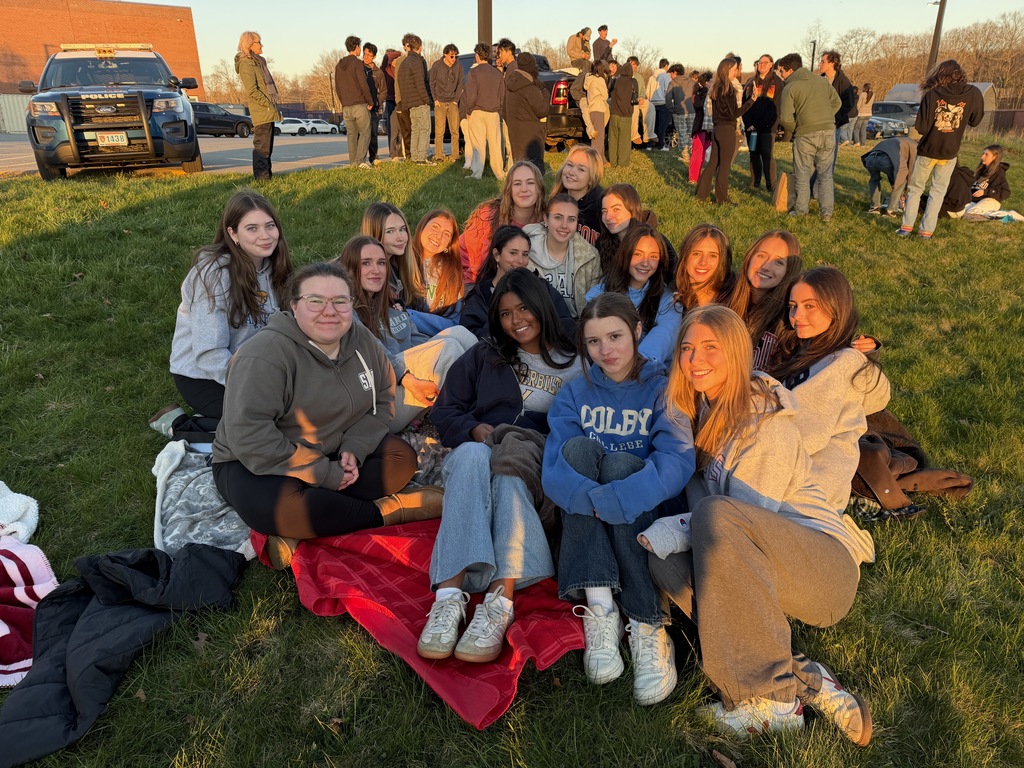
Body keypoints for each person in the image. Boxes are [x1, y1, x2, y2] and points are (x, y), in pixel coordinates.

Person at [640, 304, 875, 744]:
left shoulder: (764, 421)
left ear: (736, 352)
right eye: (687, 348)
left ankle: (775, 705)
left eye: (711, 348)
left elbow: (740, 528)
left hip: (824, 566)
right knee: (667, 568)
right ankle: (808, 680)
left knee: (713, 518)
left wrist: (670, 530)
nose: (696, 359)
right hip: (759, 559)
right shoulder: (698, 414)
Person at [212, 262, 440, 571]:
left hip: (335, 446)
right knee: (282, 508)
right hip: (260, 462)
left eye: (340, 301)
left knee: (401, 460)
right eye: (315, 301)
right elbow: (249, 438)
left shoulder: (360, 340)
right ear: (294, 306)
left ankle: (306, 528)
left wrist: (355, 448)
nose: (329, 311)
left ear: (351, 304)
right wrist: (324, 473)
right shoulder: (263, 355)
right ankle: (388, 512)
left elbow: (383, 400)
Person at [416, 268, 582, 663]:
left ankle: (498, 602)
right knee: (474, 455)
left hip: (535, 460)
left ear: (542, 305)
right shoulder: (485, 354)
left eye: (524, 308)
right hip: (482, 450)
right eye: (506, 313)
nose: (516, 320)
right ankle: (449, 597)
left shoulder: (575, 359)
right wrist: (473, 429)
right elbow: (445, 411)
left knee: (508, 473)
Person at [543, 293, 694, 705]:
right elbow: (555, 464)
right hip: (590, 508)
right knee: (576, 454)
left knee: (620, 464)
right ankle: (602, 609)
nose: (605, 350)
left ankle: (648, 624)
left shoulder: (663, 389)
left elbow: (677, 460)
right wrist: (590, 497)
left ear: (637, 332)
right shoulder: (575, 392)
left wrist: (619, 496)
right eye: (593, 342)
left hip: (643, 511)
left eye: (615, 337)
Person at [153, 190, 293, 441]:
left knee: (301, 412)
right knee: (268, 427)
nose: (265, 236)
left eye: (270, 226)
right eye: (252, 228)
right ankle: (180, 425)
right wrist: (254, 388)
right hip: (204, 375)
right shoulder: (211, 275)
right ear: (233, 234)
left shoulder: (276, 267)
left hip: (257, 368)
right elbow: (209, 353)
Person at [769, 266, 892, 518]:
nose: (797, 315)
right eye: (793, 306)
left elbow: (806, 432)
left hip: (810, 487)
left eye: (809, 306)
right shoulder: (804, 350)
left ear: (836, 308)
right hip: (794, 469)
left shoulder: (844, 361)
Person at [337, 235, 476, 432]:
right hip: (379, 404)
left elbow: (421, 345)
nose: (376, 270)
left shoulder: (390, 307)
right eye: (366, 263)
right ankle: (472, 412)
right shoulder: (344, 309)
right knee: (449, 348)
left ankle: (493, 389)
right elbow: (370, 349)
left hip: (408, 385)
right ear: (350, 268)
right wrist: (409, 378)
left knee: (459, 333)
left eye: (381, 263)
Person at [897, 59, 984, 239]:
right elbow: (975, 120)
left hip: (928, 150)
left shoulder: (933, 94)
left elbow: (921, 127)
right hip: (950, 152)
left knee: (915, 189)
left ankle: (906, 228)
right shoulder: (973, 93)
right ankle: (926, 231)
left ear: (940, 74)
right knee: (938, 191)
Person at [585, 224, 681, 365]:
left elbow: (663, 337)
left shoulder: (668, 301)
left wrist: (631, 369)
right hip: (606, 372)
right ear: (625, 254)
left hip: (649, 376)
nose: (645, 263)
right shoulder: (599, 295)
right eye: (638, 254)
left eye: (653, 256)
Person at [460, 225, 575, 339]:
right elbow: (468, 338)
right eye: (513, 253)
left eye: (525, 254)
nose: (520, 261)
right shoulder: (479, 298)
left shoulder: (542, 287)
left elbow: (566, 323)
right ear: (497, 255)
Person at [776, 53, 841, 222]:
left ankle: (801, 211)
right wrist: (825, 119)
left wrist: (797, 129)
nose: (781, 75)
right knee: (825, 174)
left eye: (781, 71)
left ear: (790, 70)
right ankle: (826, 213)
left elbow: (785, 118)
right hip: (828, 131)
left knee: (803, 173)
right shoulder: (821, 81)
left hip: (805, 134)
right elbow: (837, 103)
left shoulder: (789, 88)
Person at [725, 230, 802, 371]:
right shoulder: (725, 295)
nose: (766, 266)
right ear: (750, 257)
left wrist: (854, 347)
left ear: (789, 270)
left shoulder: (791, 315)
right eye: (761, 256)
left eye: (778, 262)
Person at [459, 160, 546, 283]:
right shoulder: (488, 215)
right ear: (509, 189)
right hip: (479, 284)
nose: (524, 189)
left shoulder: (548, 222)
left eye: (530, 183)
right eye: (517, 184)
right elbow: (467, 259)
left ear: (539, 188)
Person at [524, 194, 602, 319]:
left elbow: (594, 304)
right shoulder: (526, 252)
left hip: (575, 327)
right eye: (558, 218)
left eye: (571, 219)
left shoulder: (589, 257)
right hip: (537, 323)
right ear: (546, 218)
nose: (564, 225)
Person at [696, 57, 757, 205]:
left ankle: (701, 195)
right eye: (735, 68)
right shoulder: (729, 89)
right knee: (724, 165)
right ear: (728, 70)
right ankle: (722, 198)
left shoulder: (716, 87)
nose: (737, 71)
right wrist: (752, 100)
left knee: (713, 163)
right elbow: (734, 113)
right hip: (727, 130)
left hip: (717, 129)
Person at [596, 184, 677, 275]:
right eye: (604, 211)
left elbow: (673, 277)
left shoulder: (656, 242)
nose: (608, 216)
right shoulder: (602, 243)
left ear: (632, 209)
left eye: (616, 209)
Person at [234, 31, 281, 181]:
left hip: (268, 110)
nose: (262, 45)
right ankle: (262, 179)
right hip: (262, 111)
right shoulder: (246, 63)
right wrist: (267, 105)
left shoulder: (259, 61)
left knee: (267, 148)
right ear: (249, 45)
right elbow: (252, 90)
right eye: (258, 42)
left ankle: (267, 177)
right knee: (262, 147)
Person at [408, 210, 464, 332]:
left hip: (436, 339)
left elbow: (454, 323)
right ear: (423, 226)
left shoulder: (450, 273)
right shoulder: (400, 260)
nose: (438, 236)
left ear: (449, 244)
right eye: (435, 227)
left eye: (446, 234)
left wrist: (408, 316)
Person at [462, 42, 505, 180]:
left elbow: (471, 94)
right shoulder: (497, 73)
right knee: (495, 145)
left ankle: (477, 173)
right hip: (493, 113)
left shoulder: (473, 72)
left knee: (478, 146)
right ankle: (499, 173)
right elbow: (502, 94)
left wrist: (468, 111)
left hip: (477, 112)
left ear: (477, 55)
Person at [743, 54, 784, 192]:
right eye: (760, 62)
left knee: (767, 155)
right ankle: (755, 182)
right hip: (752, 128)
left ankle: (771, 184)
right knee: (754, 153)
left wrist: (769, 125)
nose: (762, 64)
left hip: (768, 127)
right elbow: (745, 105)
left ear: (771, 64)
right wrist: (748, 124)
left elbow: (776, 107)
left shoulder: (776, 82)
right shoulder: (750, 82)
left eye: (766, 62)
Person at [335, 35, 375, 169]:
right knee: (365, 131)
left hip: (346, 106)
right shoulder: (357, 63)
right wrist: (370, 100)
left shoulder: (339, 65)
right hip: (359, 104)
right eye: (359, 48)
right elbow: (363, 84)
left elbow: (337, 88)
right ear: (357, 47)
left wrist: (343, 101)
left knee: (351, 134)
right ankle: (360, 161)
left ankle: (353, 163)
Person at [674, 223, 735, 311]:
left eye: (712, 256)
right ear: (685, 256)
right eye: (696, 254)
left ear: (722, 260)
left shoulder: (735, 295)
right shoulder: (668, 298)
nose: (703, 262)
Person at [503, 52, 548, 171]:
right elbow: (542, 110)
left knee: (520, 169)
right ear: (532, 66)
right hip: (531, 136)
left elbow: (504, 111)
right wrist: (544, 92)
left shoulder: (510, 85)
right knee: (534, 172)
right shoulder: (530, 88)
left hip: (515, 133)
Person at [551, 145, 604, 244]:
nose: (571, 172)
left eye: (581, 169)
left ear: (592, 178)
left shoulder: (601, 207)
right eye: (570, 165)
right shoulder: (556, 200)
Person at [948, 145, 1011, 219]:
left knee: (971, 214)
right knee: (958, 210)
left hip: (990, 200)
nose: (982, 157)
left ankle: (999, 215)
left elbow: (1006, 193)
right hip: (976, 201)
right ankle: (987, 213)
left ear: (995, 157)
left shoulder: (999, 173)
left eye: (986, 155)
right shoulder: (982, 170)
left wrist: (985, 192)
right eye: (983, 154)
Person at [397, 34, 432, 164]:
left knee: (415, 130)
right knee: (424, 130)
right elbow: (420, 83)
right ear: (420, 47)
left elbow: (400, 84)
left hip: (409, 103)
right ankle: (421, 158)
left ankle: (415, 157)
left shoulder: (404, 63)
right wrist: (427, 100)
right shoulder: (417, 61)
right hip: (419, 102)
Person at [861, 136, 917, 215]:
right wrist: (907, 189)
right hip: (887, 160)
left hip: (870, 158)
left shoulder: (897, 140)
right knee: (901, 182)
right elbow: (911, 169)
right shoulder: (915, 145)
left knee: (874, 180)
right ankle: (891, 210)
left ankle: (875, 208)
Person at [429, 44, 464, 163]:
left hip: (453, 102)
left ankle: (455, 155)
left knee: (455, 130)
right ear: (445, 54)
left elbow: (460, 84)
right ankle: (439, 155)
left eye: (455, 56)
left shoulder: (458, 66)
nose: (454, 59)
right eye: (451, 56)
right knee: (439, 131)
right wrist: (435, 99)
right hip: (440, 102)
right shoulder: (437, 66)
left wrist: (456, 100)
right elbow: (431, 82)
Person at [608, 60, 637, 168]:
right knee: (624, 140)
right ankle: (623, 163)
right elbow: (636, 95)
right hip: (626, 115)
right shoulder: (633, 82)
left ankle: (613, 162)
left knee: (613, 139)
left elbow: (609, 91)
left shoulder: (616, 81)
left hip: (614, 114)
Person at [363, 43, 386, 165]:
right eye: (365, 54)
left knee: (373, 135)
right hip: (360, 107)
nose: (366, 57)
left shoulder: (379, 73)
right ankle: (360, 160)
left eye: (369, 55)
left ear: (374, 57)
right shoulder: (359, 68)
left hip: (373, 109)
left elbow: (383, 91)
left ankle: (373, 158)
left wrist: (377, 102)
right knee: (360, 135)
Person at [688, 72, 713, 185]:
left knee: (701, 152)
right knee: (698, 153)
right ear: (707, 82)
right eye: (711, 81)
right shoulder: (703, 93)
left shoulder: (700, 92)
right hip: (701, 126)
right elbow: (698, 106)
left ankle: (696, 176)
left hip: (703, 127)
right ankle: (693, 177)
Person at [584, 61, 610, 165]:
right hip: (599, 109)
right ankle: (595, 162)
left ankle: (602, 160)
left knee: (599, 136)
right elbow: (605, 96)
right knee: (598, 139)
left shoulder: (588, 79)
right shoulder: (599, 80)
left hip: (591, 109)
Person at [645, 59, 671, 151]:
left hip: (652, 103)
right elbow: (667, 90)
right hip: (662, 102)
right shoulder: (666, 76)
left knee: (652, 125)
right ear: (666, 66)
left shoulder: (652, 77)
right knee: (662, 125)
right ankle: (660, 145)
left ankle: (649, 145)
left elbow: (647, 91)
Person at [665, 65, 689, 163]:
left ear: (675, 72)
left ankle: (686, 156)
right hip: (691, 110)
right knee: (689, 133)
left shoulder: (673, 83)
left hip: (679, 111)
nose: (670, 76)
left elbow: (668, 98)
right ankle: (692, 154)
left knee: (681, 133)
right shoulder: (690, 81)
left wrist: (671, 109)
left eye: (671, 73)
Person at [853, 82, 873, 147]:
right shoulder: (873, 94)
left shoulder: (863, 94)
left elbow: (859, 104)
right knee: (863, 129)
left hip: (861, 113)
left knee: (856, 128)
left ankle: (857, 142)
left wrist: (857, 110)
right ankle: (863, 143)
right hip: (869, 113)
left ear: (865, 88)